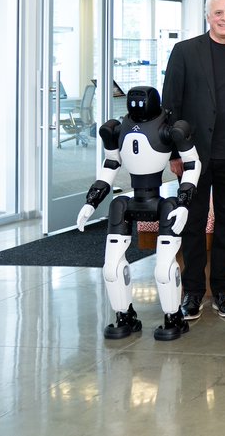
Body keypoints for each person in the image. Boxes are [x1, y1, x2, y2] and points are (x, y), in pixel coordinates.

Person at [76, 86, 201, 341]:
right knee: (111, 268)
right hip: (129, 200)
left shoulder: (173, 128)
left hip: (163, 203)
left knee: (164, 270)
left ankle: (173, 316)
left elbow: (192, 163)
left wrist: (184, 202)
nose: (136, 104)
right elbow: (111, 163)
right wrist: (91, 201)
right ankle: (124, 316)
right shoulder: (116, 129)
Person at [161, 0, 225, 321]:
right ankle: (192, 292)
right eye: (219, 13)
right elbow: (170, 103)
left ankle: (224, 290)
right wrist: (174, 152)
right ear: (207, 16)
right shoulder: (185, 52)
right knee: (193, 224)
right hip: (193, 157)